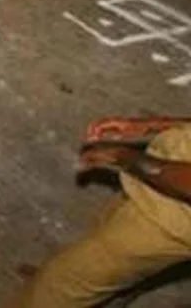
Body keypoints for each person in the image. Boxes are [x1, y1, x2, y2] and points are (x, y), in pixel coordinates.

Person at [14, 115, 191, 306]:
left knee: (59, 284)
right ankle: (86, 286)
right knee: (104, 256)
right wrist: (153, 125)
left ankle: (59, 289)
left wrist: (123, 157)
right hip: (159, 185)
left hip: (167, 218)